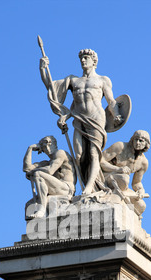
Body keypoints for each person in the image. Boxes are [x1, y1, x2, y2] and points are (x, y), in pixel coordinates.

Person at [39, 49, 123, 195]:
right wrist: (42, 68)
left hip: (96, 119)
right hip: (78, 119)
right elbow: (51, 88)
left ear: (94, 61)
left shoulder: (103, 80)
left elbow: (111, 101)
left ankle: (90, 187)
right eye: (81, 59)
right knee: (78, 156)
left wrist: (116, 115)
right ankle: (84, 184)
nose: (83, 61)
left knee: (93, 153)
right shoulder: (73, 80)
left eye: (86, 58)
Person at [23, 135, 76, 218]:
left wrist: (33, 172)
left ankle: (42, 209)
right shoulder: (46, 163)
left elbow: (50, 170)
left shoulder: (61, 153)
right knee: (29, 205)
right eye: (44, 147)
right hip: (56, 188)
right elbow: (27, 168)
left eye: (50, 144)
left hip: (67, 188)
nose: (48, 148)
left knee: (38, 174)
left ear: (55, 145)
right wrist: (29, 149)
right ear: (42, 150)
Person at [101, 130, 150, 216]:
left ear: (146, 144)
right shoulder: (120, 146)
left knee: (141, 206)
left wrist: (140, 190)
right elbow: (100, 161)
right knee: (124, 178)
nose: (137, 143)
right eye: (136, 139)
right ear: (132, 140)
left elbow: (136, 183)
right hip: (105, 178)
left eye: (141, 141)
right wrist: (117, 169)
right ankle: (115, 199)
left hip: (123, 187)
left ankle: (122, 206)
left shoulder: (143, 163)